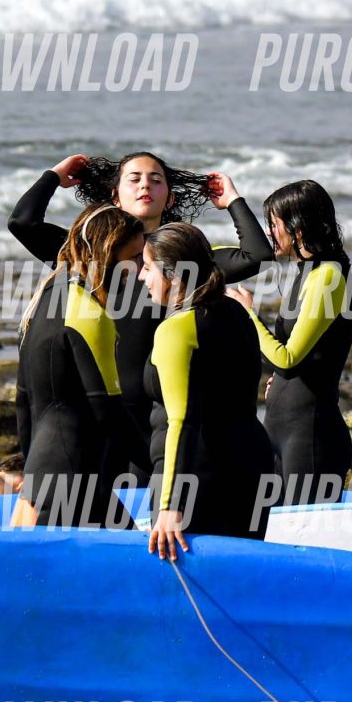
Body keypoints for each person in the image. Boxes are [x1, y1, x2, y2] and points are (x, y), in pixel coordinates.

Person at [8, 152, 268, 471]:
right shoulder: (90, 255)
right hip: (105, 417)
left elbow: (256, 255)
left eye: (156, 180)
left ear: (170, 198)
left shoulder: (184, 258)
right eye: (134, 179)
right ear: (115, 196)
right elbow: (22, 222)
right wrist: (53, 177)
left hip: (161, 415)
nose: (145, 185)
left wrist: (232, 201)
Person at [140, 223, 279, 558]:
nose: (141, 277)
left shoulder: (177, 328)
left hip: (198, 477)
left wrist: (171, 505)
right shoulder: (235, 311)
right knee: (240, 578)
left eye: (147, 267)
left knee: (185, 583)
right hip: (251, 464)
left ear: (173, 275)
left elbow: (182, 421)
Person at [13, 205, 144, 528]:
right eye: (134, 257)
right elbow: (110, 413)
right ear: (108, 253)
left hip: (47, 472)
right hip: (74, 477)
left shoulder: (45, 298)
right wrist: (160, 467)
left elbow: (23, 403)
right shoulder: (89, 315)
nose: (139, 269)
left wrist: (31, 475)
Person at [242, 179, 352, 507]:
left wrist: (247, 314)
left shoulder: (328, 277)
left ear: (299, 227)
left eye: (273, 224)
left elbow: (288, 359)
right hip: (281, 431)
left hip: (310, 436)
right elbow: (293, 355)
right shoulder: (305, 271)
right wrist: (278, 381)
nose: (269, 232)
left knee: (302, 531)